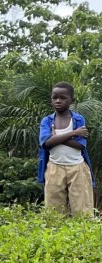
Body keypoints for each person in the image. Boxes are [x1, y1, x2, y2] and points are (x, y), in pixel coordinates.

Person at [39, 82, 94, 216]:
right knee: (53, 212)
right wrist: (73, 133)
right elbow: (46, 143)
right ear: (51, 99)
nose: (58, 101)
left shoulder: (78, 119)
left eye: (63, 98)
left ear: (71, 100)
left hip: (78, 168)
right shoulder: (47, 121)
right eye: (55, 97)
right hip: (54, 167)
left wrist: (55, 137)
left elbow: (80, 145)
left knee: (82, 210)